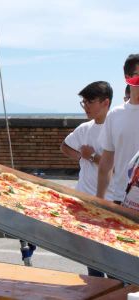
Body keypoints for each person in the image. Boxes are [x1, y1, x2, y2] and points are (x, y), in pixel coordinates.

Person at [60, 81, 114, 277]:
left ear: (105, 102)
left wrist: (92, 157)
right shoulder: (84, 128)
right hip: (84, 201)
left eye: (89, 101)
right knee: (92, 263)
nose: (86, 107)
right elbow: (65, 147)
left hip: (109, 203)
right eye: (83, 102)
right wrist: (81, 157)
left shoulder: (115, 129)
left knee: (114, 263)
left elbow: (119, 169)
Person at [97, 54, 139, 204]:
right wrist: (99, 202)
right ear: (128, 77)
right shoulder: (115, 115)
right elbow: (106, 162)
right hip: (121, 198)